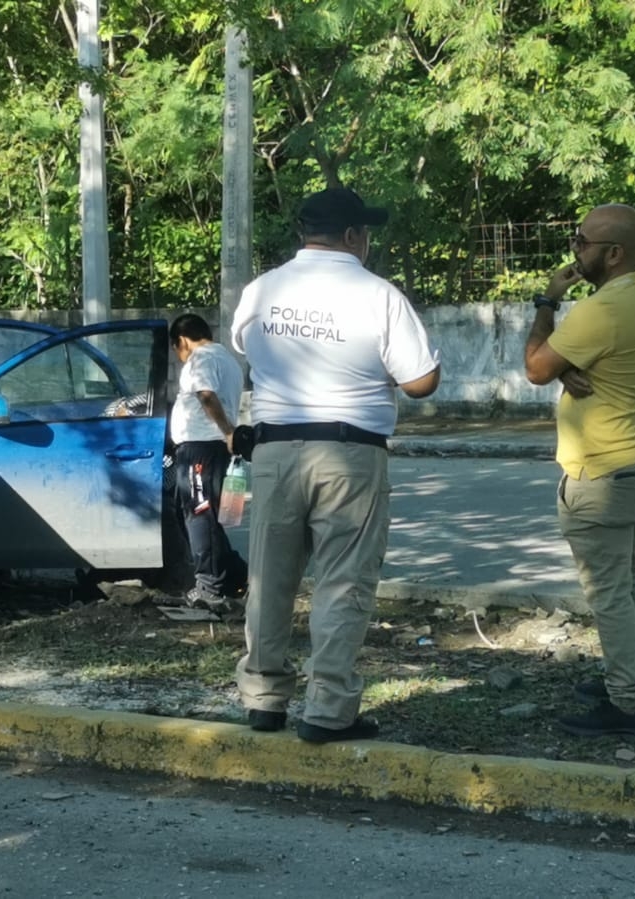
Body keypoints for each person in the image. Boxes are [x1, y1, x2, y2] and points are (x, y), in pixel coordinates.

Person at [230, 187, 440, 742]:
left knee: (268, 577)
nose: (367, 242)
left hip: (274, 449)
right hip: (349, 454)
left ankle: (264, 699)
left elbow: (246, 348)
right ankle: (326, 710)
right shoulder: (379, 295)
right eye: (364, 234)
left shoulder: (262, 289)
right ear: (352, 237)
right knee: (343, 581)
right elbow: (421, 381)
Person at [523, 203, 635, 738]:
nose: (574, 251)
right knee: (627, 580)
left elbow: (536, 366)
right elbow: (590, 365)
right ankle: (632, 677)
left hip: (602, 472)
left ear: (613, 252)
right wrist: (570, 371)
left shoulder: (598, 311)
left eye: (581, 242)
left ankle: (627, 705)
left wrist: (547, 302)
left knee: (608, 592)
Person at [167, 313, 248, 608]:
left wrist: (227, 430)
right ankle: (234, 575)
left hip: (202, 447)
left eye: (177, 349)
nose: (179, 356)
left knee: (200, 514)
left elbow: (206, 395)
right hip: (208, 448)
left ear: (183, 340)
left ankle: (209, 587)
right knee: (202, 513)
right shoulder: (227, 360)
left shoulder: (200, 359)